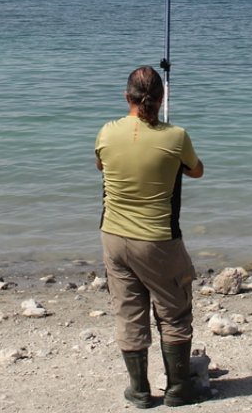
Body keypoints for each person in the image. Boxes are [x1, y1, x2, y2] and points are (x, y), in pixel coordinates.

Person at [95, 65, 208, 408]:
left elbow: (102, 165)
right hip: (159, 240)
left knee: (129, 312)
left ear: (126, 97)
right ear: (162, 98)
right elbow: (197, 171)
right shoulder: (176, 137)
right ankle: (177, 389)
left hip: (113, 236)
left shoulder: (106, 132)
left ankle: (140, 391)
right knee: (174, 313)